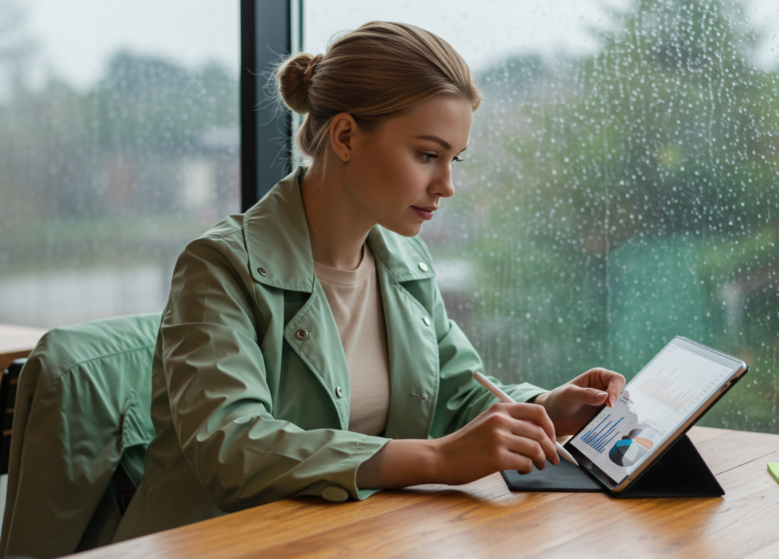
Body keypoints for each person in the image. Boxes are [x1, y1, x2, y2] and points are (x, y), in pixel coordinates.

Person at [113, 21, 624, 541]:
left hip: (350, 539)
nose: (447, 185)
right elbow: (234, 450)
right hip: (223, 544)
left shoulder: (405, 262)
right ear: (346, 136)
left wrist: (547, 407)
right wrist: (435, 460)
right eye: (428, 155)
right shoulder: (218, 267)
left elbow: (456, 395)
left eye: (454, 159)